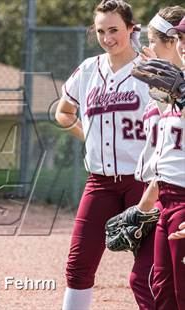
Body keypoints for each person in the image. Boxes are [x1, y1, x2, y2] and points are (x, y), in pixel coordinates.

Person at [55, 1, 154, 309]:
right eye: (100, 31)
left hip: (143, 182)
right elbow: (63, 112)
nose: (107, 38)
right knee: (78, 267)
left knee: (149, 272)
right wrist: (88, 137)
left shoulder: (149, 70)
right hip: (99, 183)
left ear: (130, 29)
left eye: (114, 30)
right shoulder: (88, 70)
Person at [132, 5, 185, 307]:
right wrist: (144, 207)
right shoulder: (169, 89)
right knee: (162, 291)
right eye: (180, 38)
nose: (182, 45)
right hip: (164, 196)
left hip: (181, 200)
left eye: (153, 41)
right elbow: (168, 158)